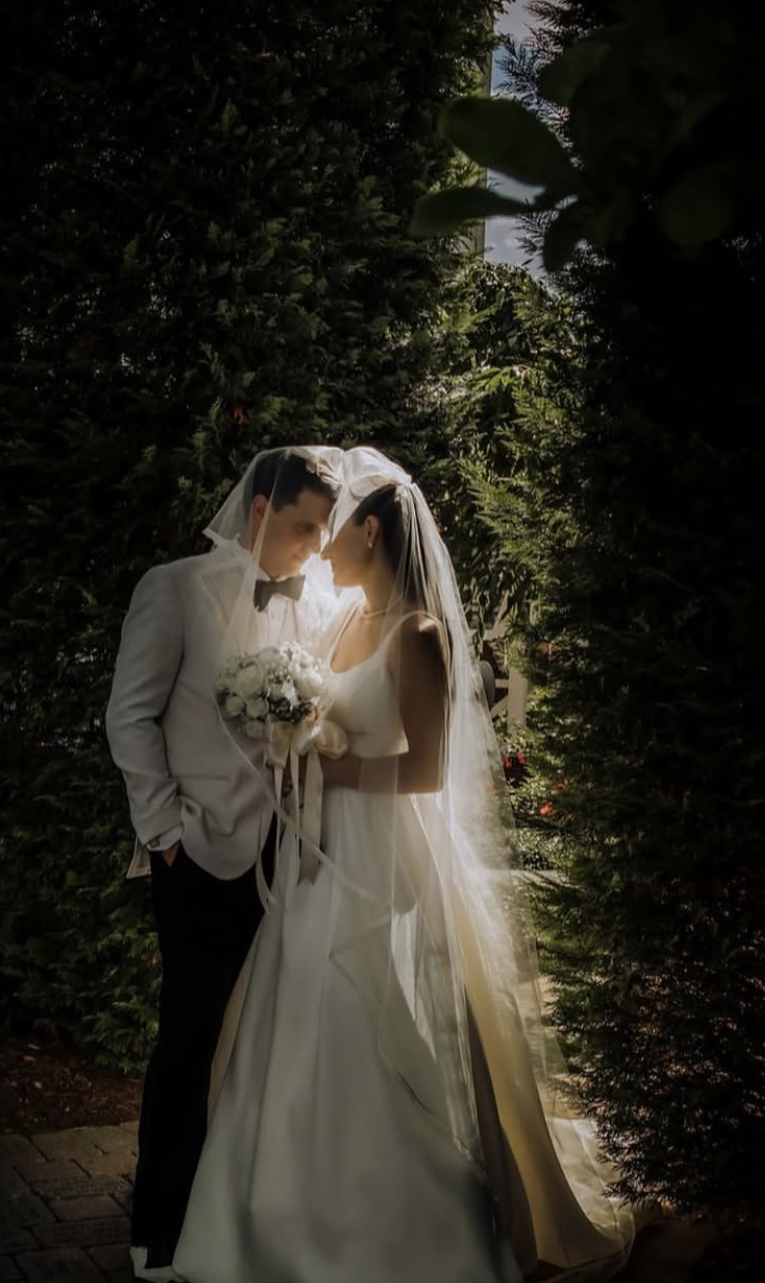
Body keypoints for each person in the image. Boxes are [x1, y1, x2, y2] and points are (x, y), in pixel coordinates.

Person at [173, 446, 651, 1283]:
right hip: (319, 848)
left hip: (381, 854)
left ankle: (403, 1226)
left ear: (369, 530)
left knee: (373, 1011)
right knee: (297, 1010)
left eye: (335, 527)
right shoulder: (338, 621)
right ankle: (275, 1214)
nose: (321, 544)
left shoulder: (417, 635)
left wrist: (337, 766)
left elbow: (427, 770)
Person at [106, 446, 340, 1282]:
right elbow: (128, 719)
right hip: (199, 852)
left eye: (323, 530)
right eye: (302, 525)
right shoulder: (173, 589)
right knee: (188, 1039)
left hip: (287, 854)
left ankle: (232, 1213)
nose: (314, 545)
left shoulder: (308, 610)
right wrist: (165, 832)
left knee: (265, 1043)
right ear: (259, 508)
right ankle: (158, 1232)